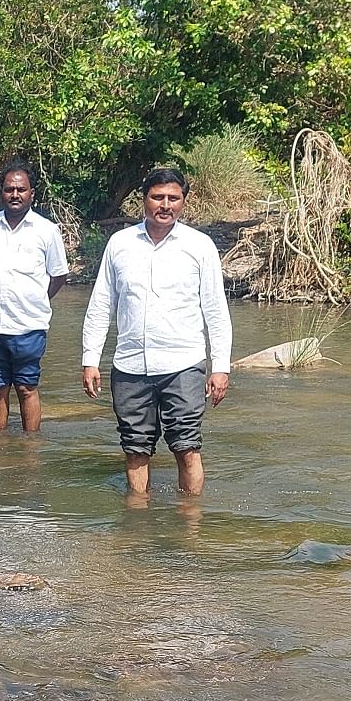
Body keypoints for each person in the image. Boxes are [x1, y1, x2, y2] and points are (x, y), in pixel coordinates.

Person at [80, 167, 232, 495]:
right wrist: (90, 359)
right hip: (130, 366)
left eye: (173, 198)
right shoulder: (120, 244)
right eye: (157, 197)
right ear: (144, 200)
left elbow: (216, 311)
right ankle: (137, 522)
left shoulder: (200, 246)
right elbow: (101, 305)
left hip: (184, 365)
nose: (165, 205)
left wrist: (220, 367)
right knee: (135, 449)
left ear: (183, 202)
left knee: (186, 447)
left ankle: (189, 528)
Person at [0, 163, 70, 432]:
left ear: (32, 193)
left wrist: (38, 300)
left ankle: (30, 448)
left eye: (21, 189)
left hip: (30, 326)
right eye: (9, 189)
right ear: (2, 193)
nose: (15, 194)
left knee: (26, 387)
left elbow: (59, 275)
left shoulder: (46, 230)